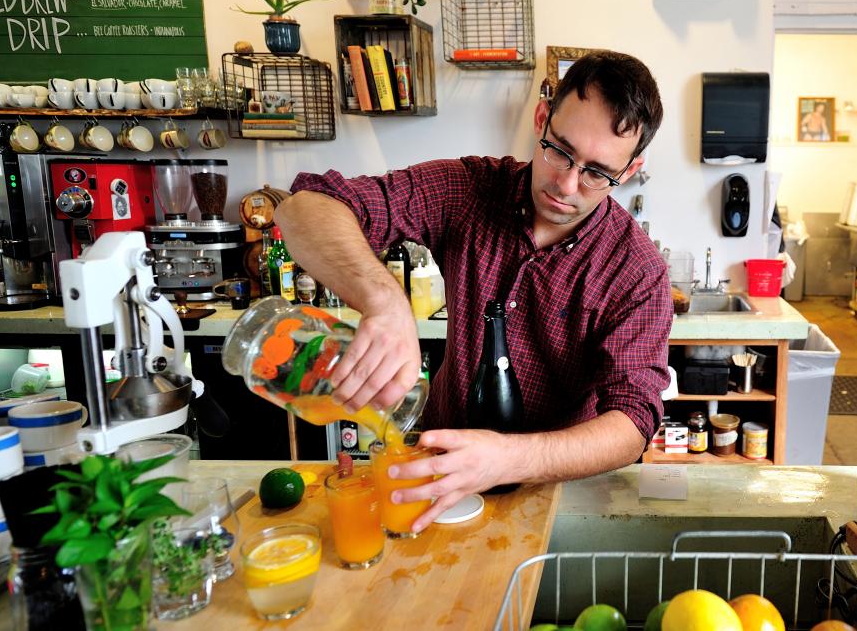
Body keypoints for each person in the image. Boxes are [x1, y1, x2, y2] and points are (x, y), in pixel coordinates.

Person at [275, 51, 671, 531]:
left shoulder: (636, 269)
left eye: (596, 173)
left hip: (558, 495)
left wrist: (506, 458)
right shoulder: (468, 188)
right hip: (438, 472)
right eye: (560, 151)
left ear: (628, 171)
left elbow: (633, 420)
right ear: (542, 117)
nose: (566, 184)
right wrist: (384, 302)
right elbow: (305, 207)